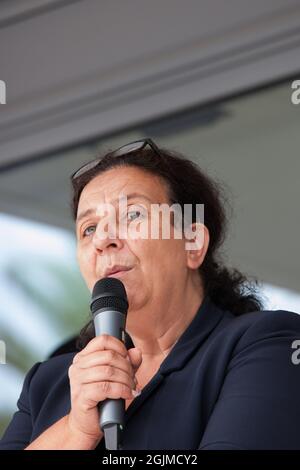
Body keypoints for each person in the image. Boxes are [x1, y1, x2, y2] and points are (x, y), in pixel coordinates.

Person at [1, 138, 300, 450]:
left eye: (132, 215)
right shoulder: (48, 383)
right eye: (88, 228)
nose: (104, 239)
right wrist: (76, 430)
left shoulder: (267, 344)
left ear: (192, 243)